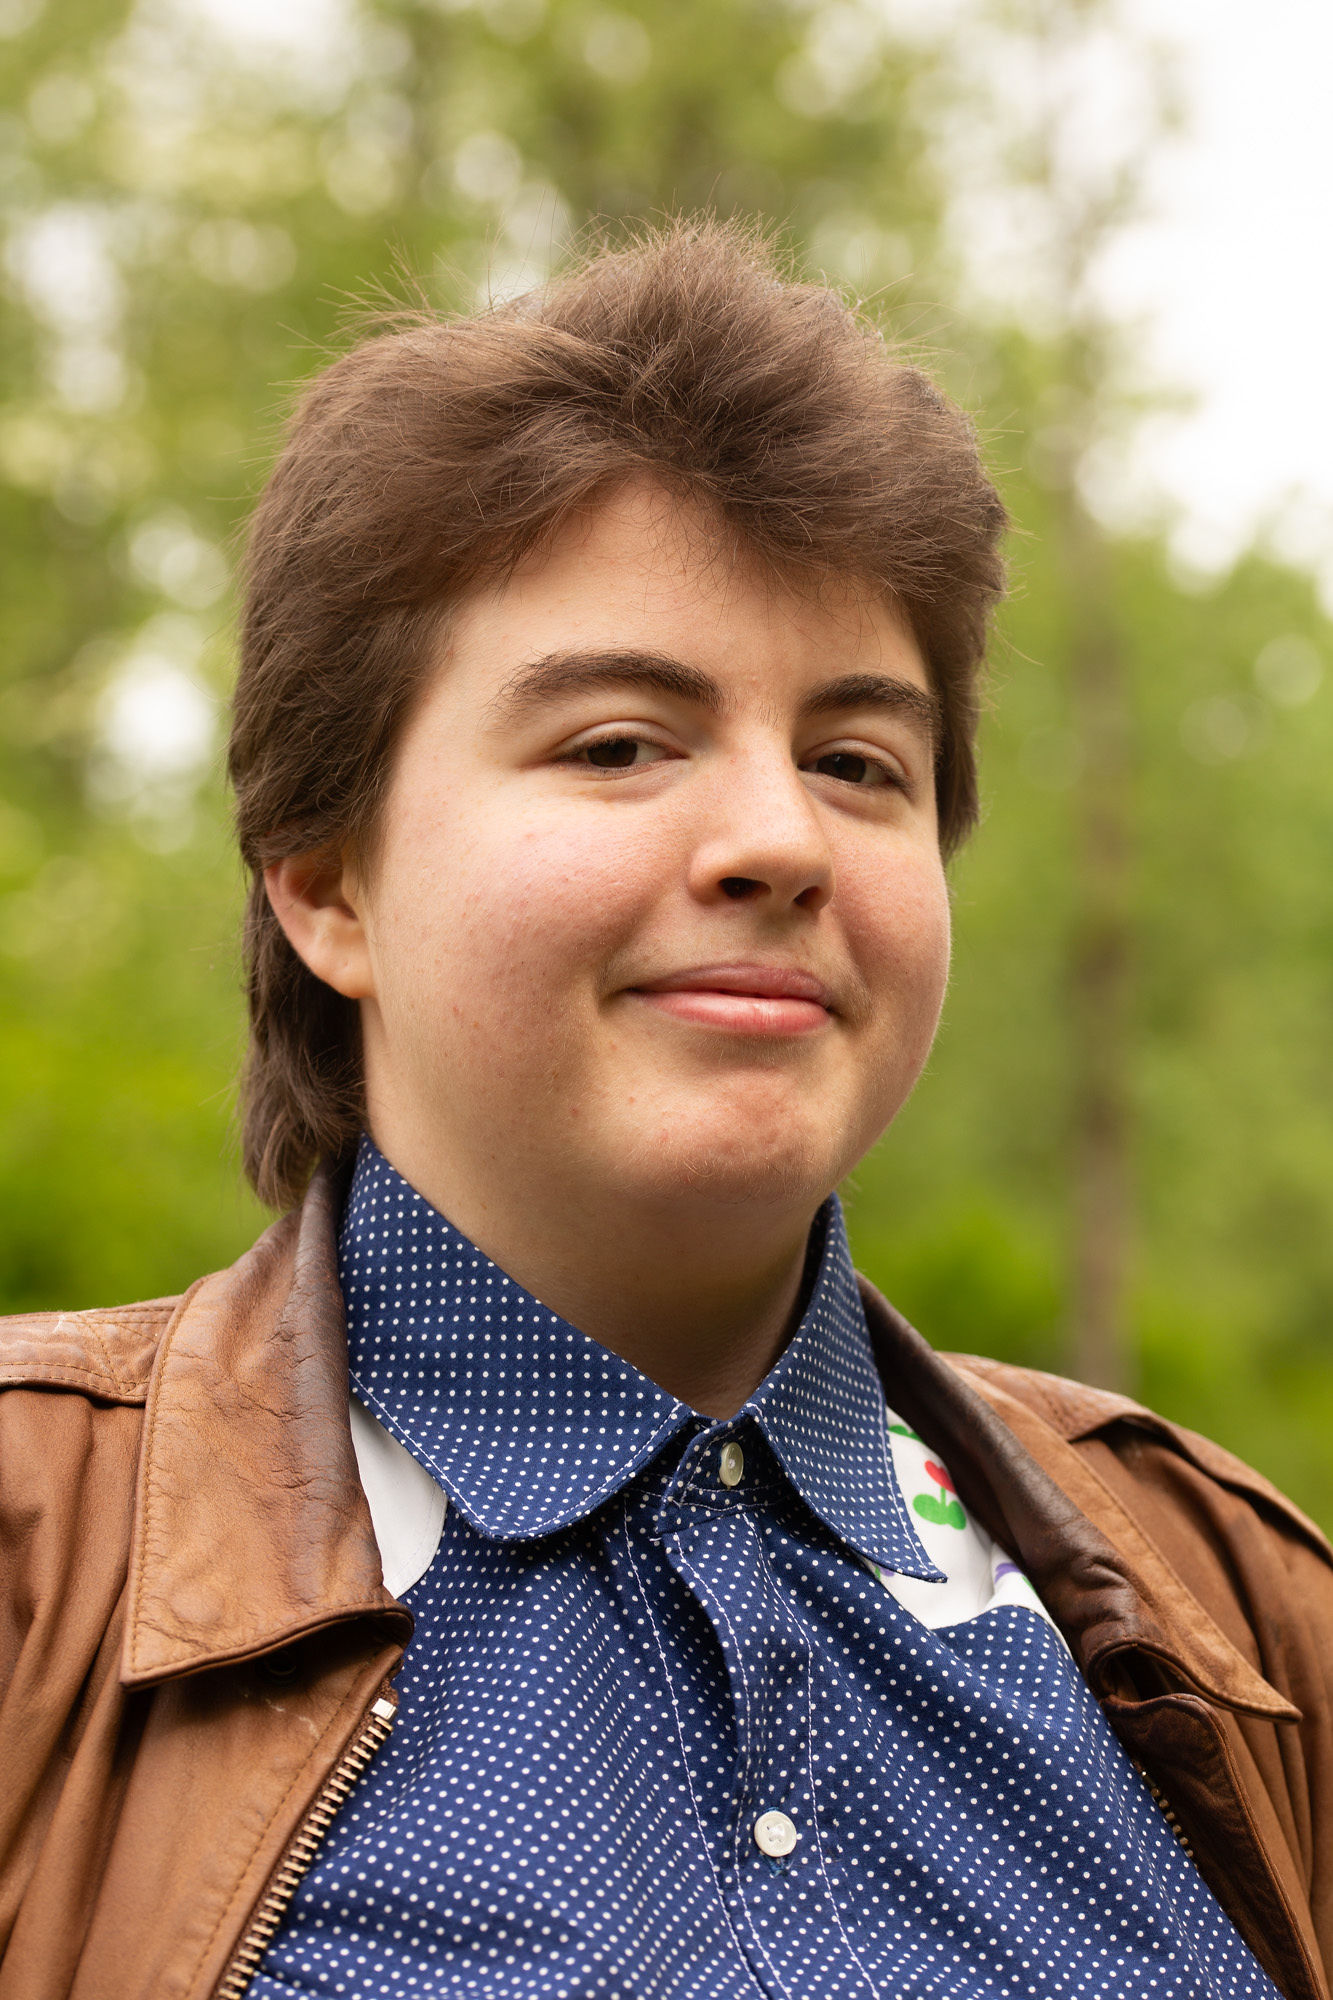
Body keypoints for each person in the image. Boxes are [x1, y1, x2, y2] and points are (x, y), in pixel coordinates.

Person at [1, 220, 1330, 2000]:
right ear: (327, 885)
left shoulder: (1240, 1616)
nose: (779, 840)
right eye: (621, 741)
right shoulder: (36, 1560)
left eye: (860, 763)